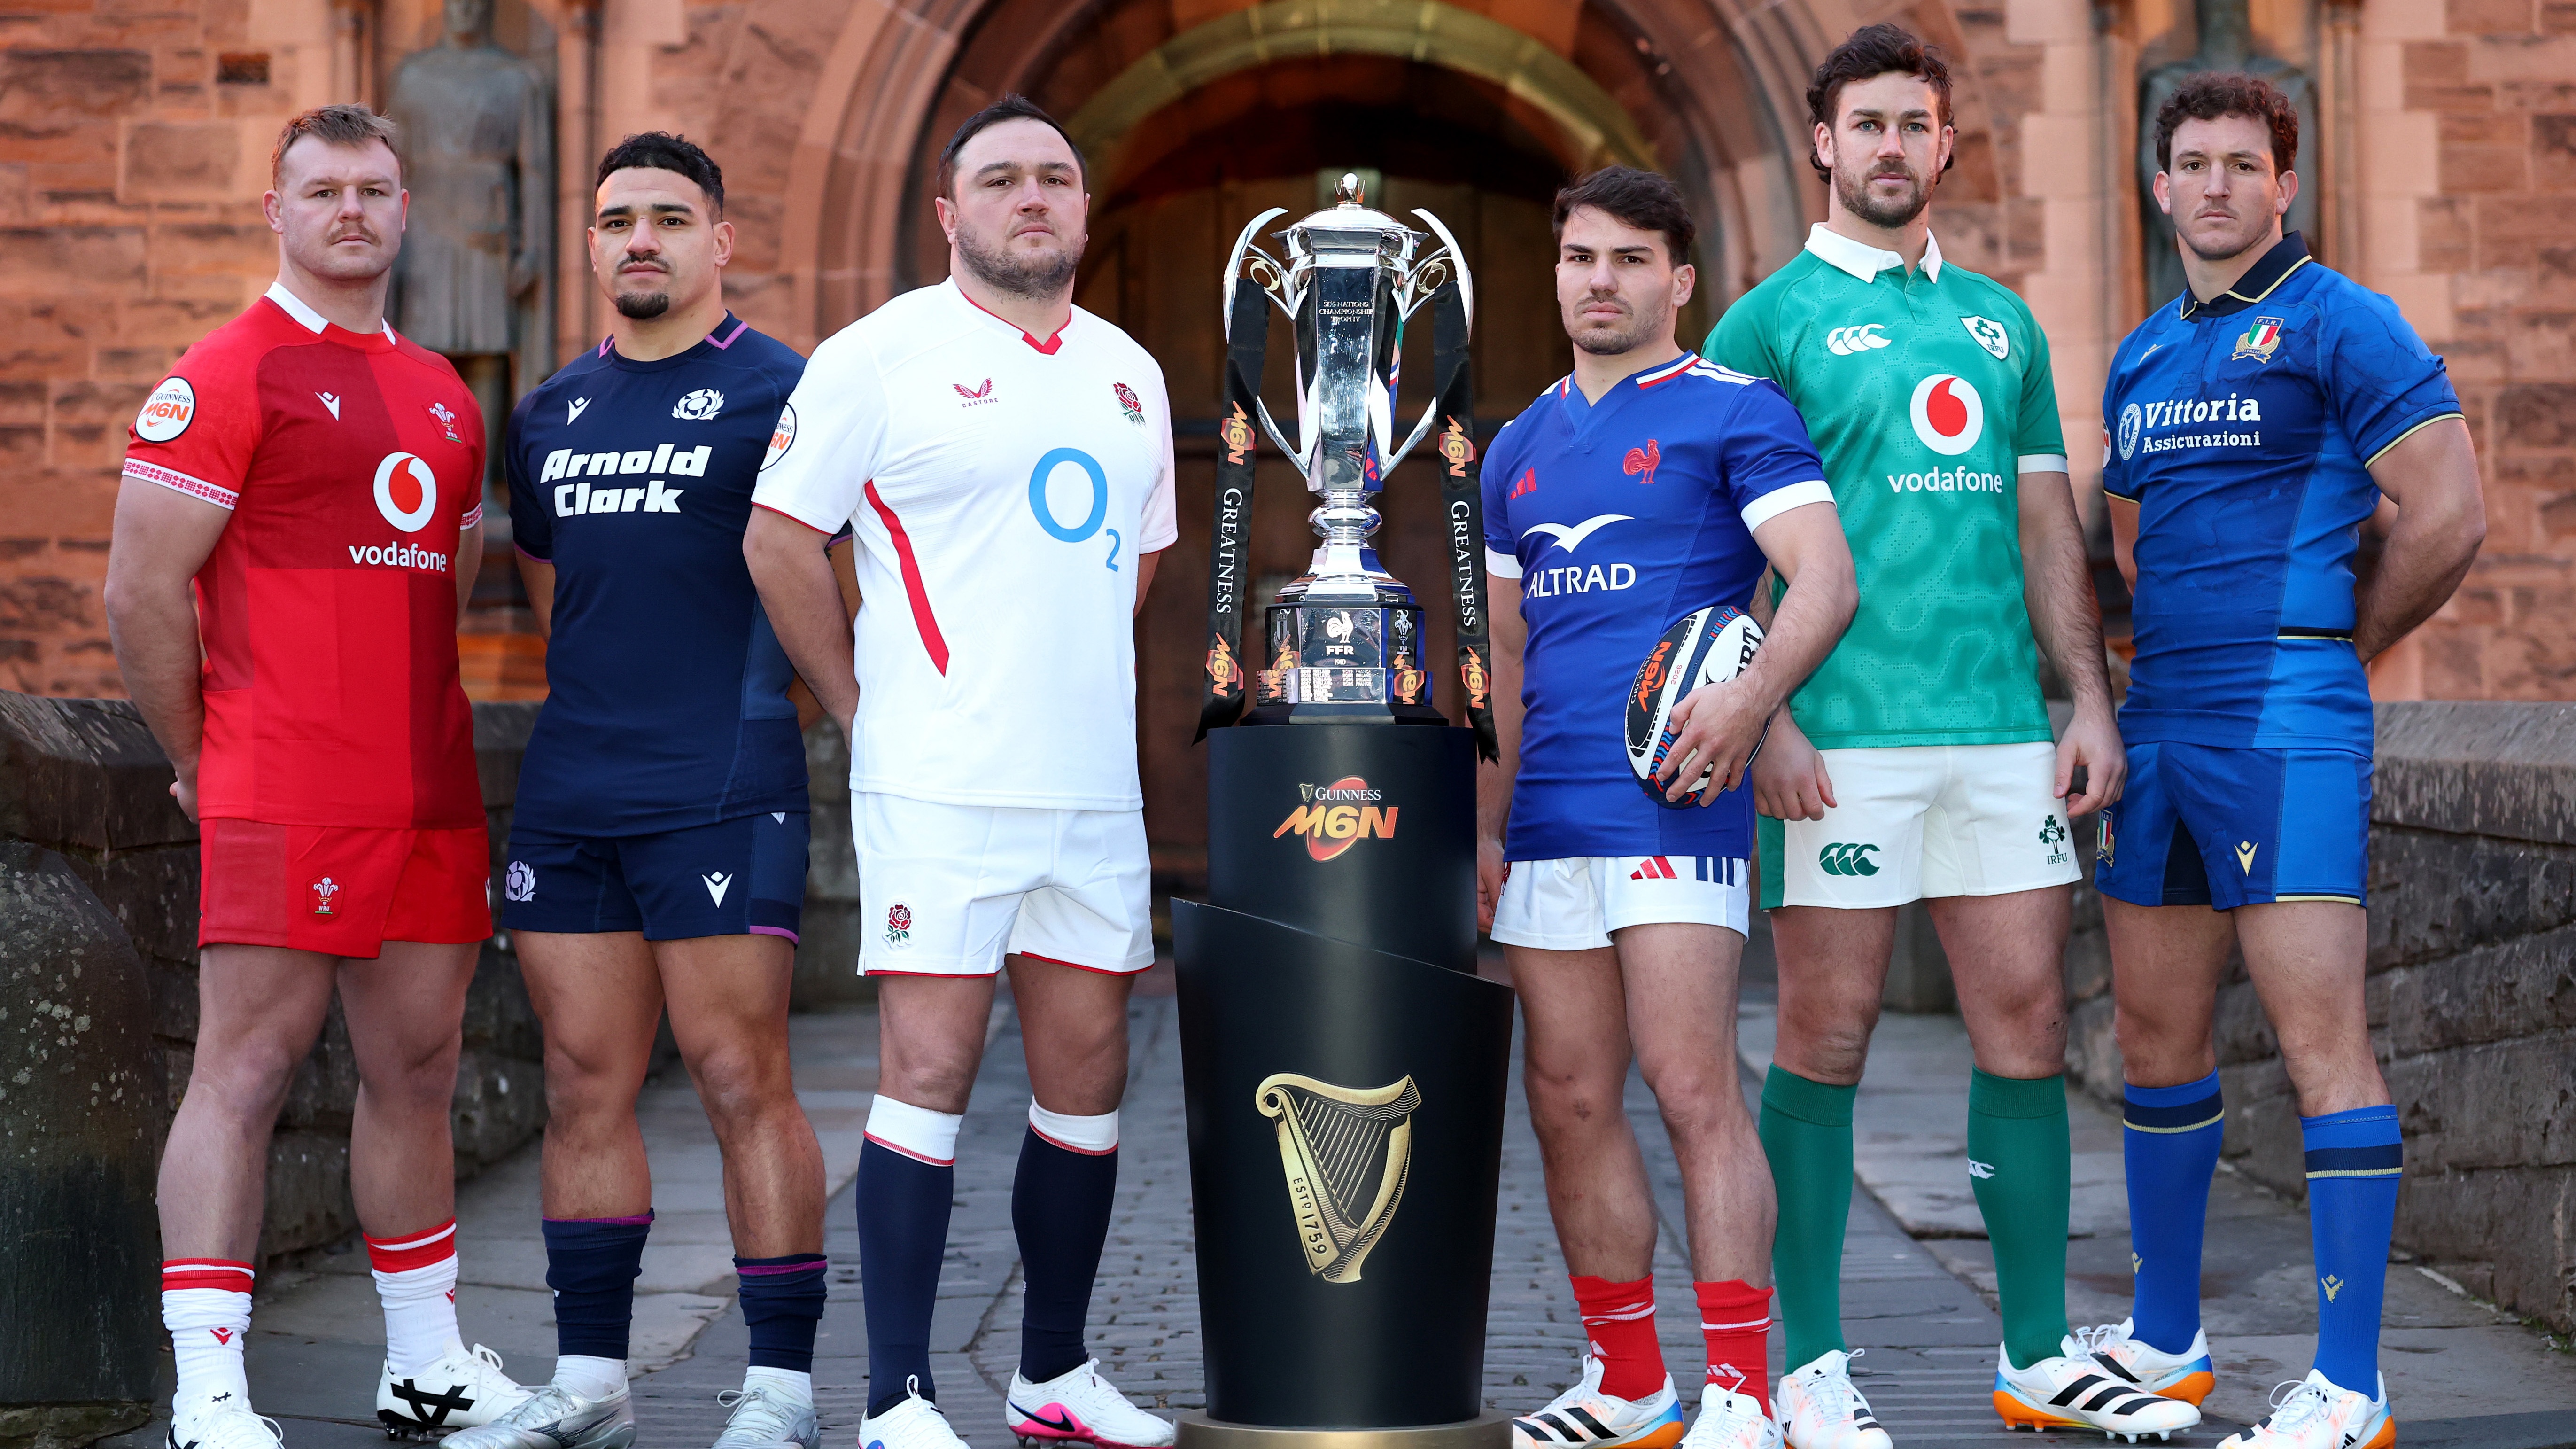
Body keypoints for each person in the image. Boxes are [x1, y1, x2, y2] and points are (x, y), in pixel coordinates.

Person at [1698, 26, 2198, 1446]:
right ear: (1822, 143)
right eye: (1866, 125)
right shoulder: (1763, 326)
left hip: (1992, 732)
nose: (1890, 149)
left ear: (1944, 147)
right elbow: (1713, 557)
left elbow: (2047, 525)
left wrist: (2084, 694)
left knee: (2025, 1025)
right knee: (1825, 1032)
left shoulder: (2002, 323)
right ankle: (1811, 1366)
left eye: (1913, 125)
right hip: (1839, 737)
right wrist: (1767, 712)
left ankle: (2036, 1354)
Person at [744, 95, 1178, 1449]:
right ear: (950, 213)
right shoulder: (876, 358)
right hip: (937, 782)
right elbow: (776, 540)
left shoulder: (1129, 370)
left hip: (1089, 789)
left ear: (1083, 211)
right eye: (1000, 180)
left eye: (1054, 179)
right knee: (927, 1065)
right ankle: (898, 1395)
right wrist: (867, 706)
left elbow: (1139, 552)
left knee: (1086, 1075)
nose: (1030, 199)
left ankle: (1051, 1372)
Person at [104, 104, 530, 1447]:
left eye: (376, 189)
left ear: (408, 212)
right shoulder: (228, 370)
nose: (353, 210)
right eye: (324, 190)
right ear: (277, 214)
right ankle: (210, 1389)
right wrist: (198, 753)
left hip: (426, 784)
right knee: (244, 1067)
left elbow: (445, 590)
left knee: (416, 1067)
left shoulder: (446, 395)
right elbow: (139, 592)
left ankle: (424, 1368)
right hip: (283, 778)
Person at [2087, 73, 2483, 1449]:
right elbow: (2131, 546)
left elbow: (2445, 508)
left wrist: (2346, 640)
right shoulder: (2137, 355)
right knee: (2152, 1036)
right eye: (2188, 163)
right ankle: (2163, 1338)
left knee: (2324, 1049)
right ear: (2158, 187)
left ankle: (2349, 1385)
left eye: (2239, 164)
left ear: (2282, 183)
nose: (2212, 185)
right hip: (2161, 720)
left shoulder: (2339, 320)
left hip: (2285, 716)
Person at [440, 133, 847, 1449]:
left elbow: (832, 587)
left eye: (670, 218)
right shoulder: (551, 409)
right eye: (618, 219)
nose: (640, 240)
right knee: (577, 1080)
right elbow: (566, 598)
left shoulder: (787, 392)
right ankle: (592, 1379)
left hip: (723, 775)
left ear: (720, 241)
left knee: (740, 1074)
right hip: (573, 783)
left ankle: (779, 1390)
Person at [1476, 164, 1858, 1449]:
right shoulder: (1515, 447)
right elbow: (1506, 658)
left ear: (1678, 279)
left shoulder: (1732, 411)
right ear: (1558, 271)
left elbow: (1822, 579)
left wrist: (1748, 708)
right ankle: (1629, 1379)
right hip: (1545, 818)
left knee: (1692, 1083)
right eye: (1582, 256)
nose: (1602, 280)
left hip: (1675, 804)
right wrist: (1482, 823)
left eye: (1630, 259)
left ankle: (1741, 1393)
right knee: (1569, 1095)